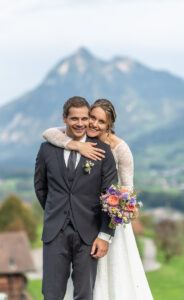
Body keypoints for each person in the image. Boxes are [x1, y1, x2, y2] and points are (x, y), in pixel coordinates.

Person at [43, 98, 154, 300]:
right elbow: (48, 133)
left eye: (100, 122)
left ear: (109, 126)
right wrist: (75, 146)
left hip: (110, 219)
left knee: (112, 275)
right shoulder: (79, 137)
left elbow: (126, 191)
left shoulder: (120, 149)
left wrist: (119, 214)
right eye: (92, 117)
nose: (93, 124)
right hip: (81, 219)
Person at [34, 96, 117, 300]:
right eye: (74, 119)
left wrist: (105, 234)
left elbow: (111, 195)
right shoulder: (47, 149)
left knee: (84, 294)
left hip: (89, 234)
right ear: (64, 119)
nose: (80, 123)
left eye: (84, 118)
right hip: (55, 233)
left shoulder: (103, 151)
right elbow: (40, 187)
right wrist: (56, 210)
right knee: (51, 294)